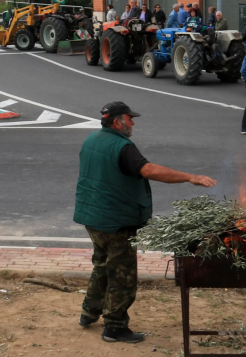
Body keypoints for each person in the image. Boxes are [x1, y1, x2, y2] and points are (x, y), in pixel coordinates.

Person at [74, 102, 217, 343]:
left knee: (102, 265)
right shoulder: (122, 146)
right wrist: (190, 177)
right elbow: (149, 170)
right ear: (118, 122)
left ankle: (89, 312)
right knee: (122, 275)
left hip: (92, 217)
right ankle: (115, 327)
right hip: (116, 221)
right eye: (130, 119)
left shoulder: (91, 139)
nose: (133, 123)